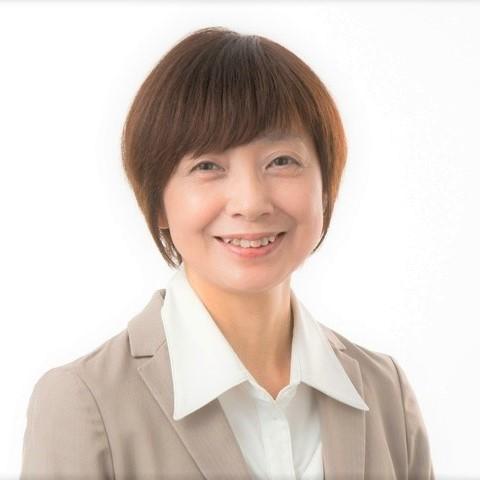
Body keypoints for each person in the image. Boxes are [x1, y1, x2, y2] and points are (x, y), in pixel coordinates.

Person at [20, 26, 434, 479]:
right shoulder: (84, 403)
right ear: (158, 202)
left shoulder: (384, 392)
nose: (251, 203)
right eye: (208, 166)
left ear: (326, 185)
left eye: (281, 161)